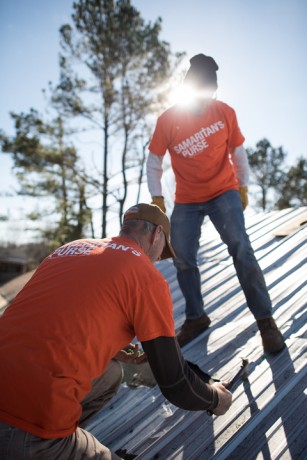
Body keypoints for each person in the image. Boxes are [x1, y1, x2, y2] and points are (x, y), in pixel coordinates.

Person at [0, 203, 232, 460]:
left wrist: (108, 346)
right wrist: (215, 399)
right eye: (161, 252)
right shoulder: (145, 276)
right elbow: (175, 383)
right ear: (156, 235)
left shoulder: (70, 249)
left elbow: (44, 318)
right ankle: (53, 446)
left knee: (111, 374)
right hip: (30, 430)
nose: (157, 259)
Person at [146, 53, 285, 353]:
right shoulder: (169, 120)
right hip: (187, 199)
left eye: (210, 92)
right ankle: (196, 317)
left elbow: (238, 153)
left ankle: (266, 322)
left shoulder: (224, 112)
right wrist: (157, 197)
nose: (205, 99)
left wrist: (243, 188)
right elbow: (154, 161)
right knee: (181, 256)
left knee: (240, 246)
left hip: (224, 191)